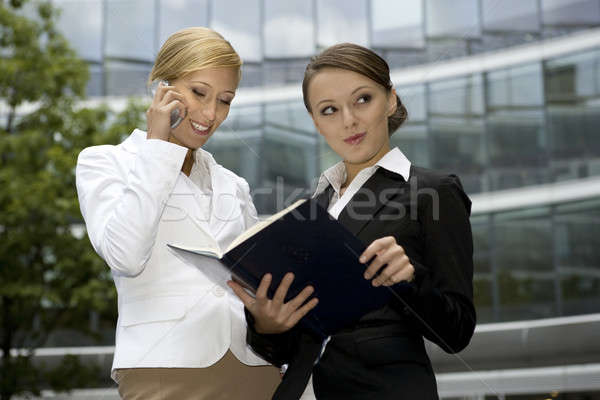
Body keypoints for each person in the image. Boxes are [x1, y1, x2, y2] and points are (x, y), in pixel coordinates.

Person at [228, 43, 476, 400]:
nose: (348, 120)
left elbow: (457, 332)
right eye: (329, 110)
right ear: (316, 122)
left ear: (390, 100)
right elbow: (285, 349)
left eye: (362, 99)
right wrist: (268, 324)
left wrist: (411, 279)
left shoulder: (433, 192)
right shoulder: (310, 209)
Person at [75, 27, 281, 400]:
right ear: (164, 86)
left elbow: (254, 277)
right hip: (164, 368)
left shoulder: (233, 184)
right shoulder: (105, 162)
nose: (210, 114)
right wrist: (158, 148)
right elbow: (125, 256)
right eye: (199, 93)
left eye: (225, 100)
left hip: (256, 367)